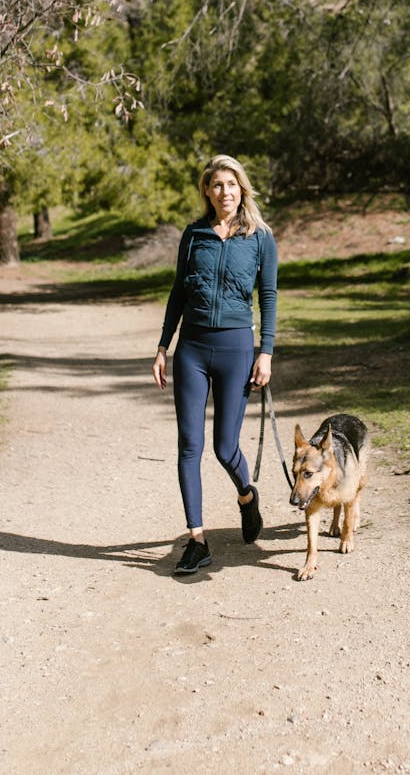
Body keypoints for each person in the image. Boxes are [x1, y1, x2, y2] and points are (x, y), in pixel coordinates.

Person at [152, 154, 278, 576]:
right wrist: (163, 346)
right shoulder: (194, 235)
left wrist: (267, 351)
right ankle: (197, 541)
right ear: (207, 191)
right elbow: (177, 293)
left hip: (237, 349)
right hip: (192, 348)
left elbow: (269, 297)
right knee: (189, 445)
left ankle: (247, 496)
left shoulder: (260, 238)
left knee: (226, 447)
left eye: (231, 183)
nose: (225, 191)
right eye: (217, 184)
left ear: (242, 188)